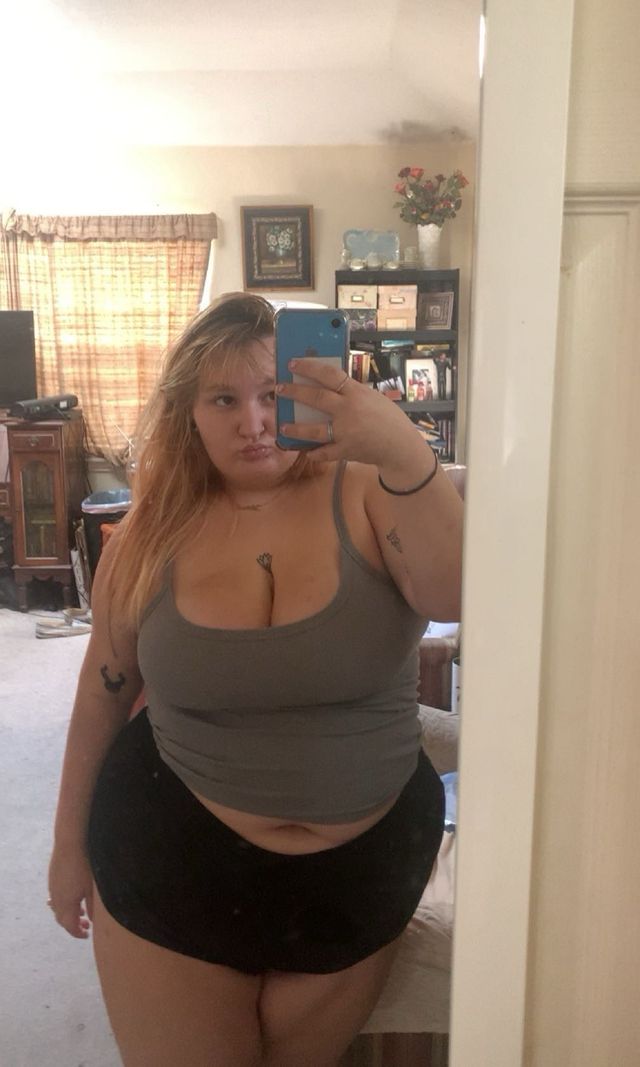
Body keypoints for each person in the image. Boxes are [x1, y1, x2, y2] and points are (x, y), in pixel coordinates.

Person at [48, 292, 463, 1067]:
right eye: (224, 400)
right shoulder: (145, 534)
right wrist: (67, 844)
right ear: (189, 413)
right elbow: (104, 691)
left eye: (274, 394)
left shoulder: (372, 487)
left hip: (358, 877)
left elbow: (458, 593)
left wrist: (404, 450)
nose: (255, 421)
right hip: (172, 854)